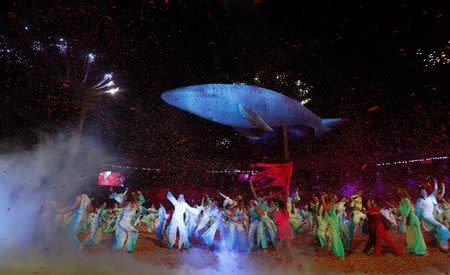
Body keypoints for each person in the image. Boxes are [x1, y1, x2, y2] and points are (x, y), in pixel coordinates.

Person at [415, 180, 450, 252]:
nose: (424, 192)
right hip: (430, 217)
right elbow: (418, 211)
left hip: (435, 216)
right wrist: (418, 220)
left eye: (424, 191)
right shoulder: (421, 201)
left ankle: (442, 245)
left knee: (440, 229)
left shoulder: (430, 198)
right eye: (422, 192)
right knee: (440, 228)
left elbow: (437, 191)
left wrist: (436, 183)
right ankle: (443, 245)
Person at [395, 188, 427, 256]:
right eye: (397, 192)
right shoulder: (403, 200)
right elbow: (401, 212)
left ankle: (421, 251)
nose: (398, 193)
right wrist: (398, 210)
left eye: (399, 192)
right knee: (410, 236)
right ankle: (412, 250)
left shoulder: (406, 200)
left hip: (412, 219)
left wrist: (399, 208)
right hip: (408, 220)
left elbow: (406, 212)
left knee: (417, 235)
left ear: (402, 193)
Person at [322, 193, 345, 257]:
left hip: (333, 223)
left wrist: (323, 199)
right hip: (333, 223)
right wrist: (322, 199)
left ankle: (339, 253)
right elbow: (326, 208)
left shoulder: (332, 204)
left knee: (335, 237)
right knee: (334, 237)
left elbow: (328, 210)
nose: (337, 198)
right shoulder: (332, 203)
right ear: (332, 198)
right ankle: (337, 252)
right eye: (336, 197)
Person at [274, 198, 293, 263]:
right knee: (288, 243)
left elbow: (275, 222)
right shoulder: (287, 212)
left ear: (278, 205)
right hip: (287, 228)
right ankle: (291, 257)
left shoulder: (278, 213)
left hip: (281, 229)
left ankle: (278, 257)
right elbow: (287, 219)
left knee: (277, 242)